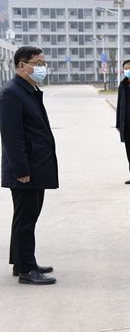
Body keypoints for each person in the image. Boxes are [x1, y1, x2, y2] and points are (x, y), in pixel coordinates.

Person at [0, 46, 57, 285]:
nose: (42, 67)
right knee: (26, 220)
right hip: (26, 170)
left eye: (44, 63)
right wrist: (21, 169)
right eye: (38, 63)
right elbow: (12, 137)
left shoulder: (28, 90)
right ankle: (27, 270)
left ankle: (22, 262)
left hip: (36, 165)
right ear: (22, 66)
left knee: (25, 217)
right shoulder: (12, 93)